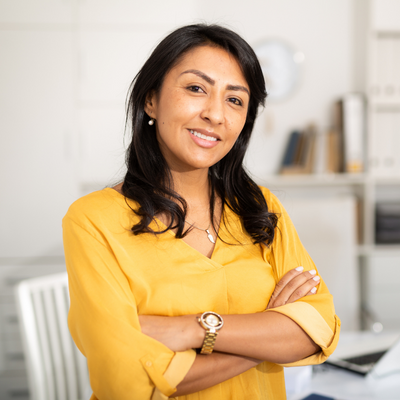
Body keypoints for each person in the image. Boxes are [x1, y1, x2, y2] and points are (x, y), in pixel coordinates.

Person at [63, 24, 340, 400]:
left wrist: (194, 329)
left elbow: (320, 327)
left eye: (235, 100)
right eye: (196, 88)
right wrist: (269, 334)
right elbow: (126, 381)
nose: (215, 114)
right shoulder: (93, 220)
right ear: (150, 100)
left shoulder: (260, 208)